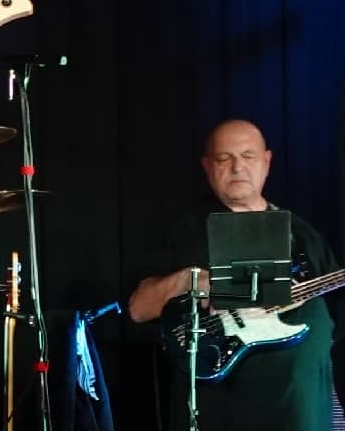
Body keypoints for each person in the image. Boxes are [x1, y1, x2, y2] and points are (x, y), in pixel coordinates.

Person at [127, 119, 339, 430]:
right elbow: (138, 308)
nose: (237, 167)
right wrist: (192, 278)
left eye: (248, 156)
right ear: (207, 166)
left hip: (300, 406)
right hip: (223, 407)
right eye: (224, 158)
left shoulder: (302, 233)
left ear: (267, 162)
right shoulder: (185, 230)